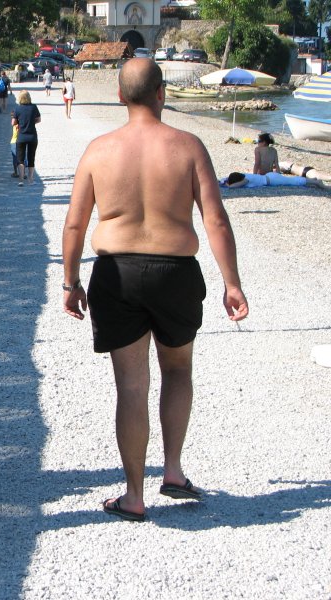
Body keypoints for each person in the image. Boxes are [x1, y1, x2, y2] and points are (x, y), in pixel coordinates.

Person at [62, 59, 248, 522]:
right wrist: (232, 282)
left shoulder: (99, 150)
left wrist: (71, 282)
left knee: (131, 385)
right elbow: (215, 219)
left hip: (116, 273)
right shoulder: (188, 147)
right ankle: (173, 470)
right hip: (175, 273)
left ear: (120, 97)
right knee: (178, 371)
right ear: (161, 93)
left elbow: (74, 224)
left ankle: (133, 495)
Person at [11, 90, 41, 186]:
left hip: (21, 136)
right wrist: (31, 122)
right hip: (32, 136)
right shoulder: (34, 107)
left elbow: (13, 122)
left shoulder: (17, 108)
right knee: (31, 157)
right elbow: (39, 119)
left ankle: (21, 179)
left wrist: (20, 122)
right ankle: (30, 179)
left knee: (20, 158)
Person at [221, 171, 329, 190]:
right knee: (291, 180)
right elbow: (225, 178)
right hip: (269, 176)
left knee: (293, 181)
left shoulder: (246, 180)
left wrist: (228, 185)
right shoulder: (244, 175)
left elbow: (233, 186)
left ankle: (317, 182)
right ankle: (311, 180)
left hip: (272, 180)